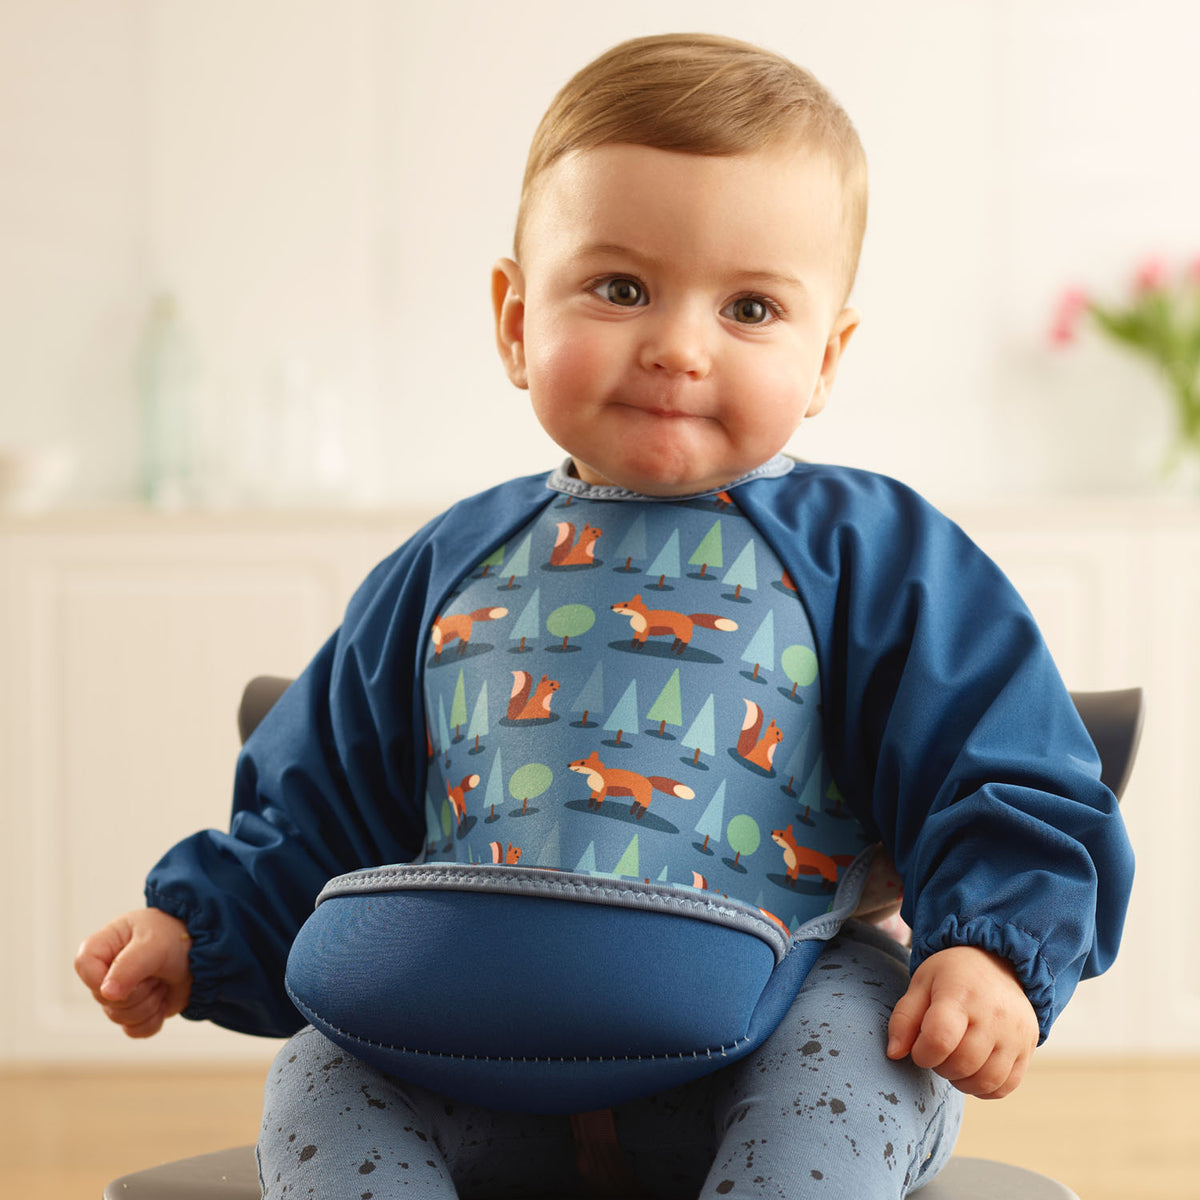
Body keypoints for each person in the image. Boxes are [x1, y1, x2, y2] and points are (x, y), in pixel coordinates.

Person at [75, 32, 1134, 1199]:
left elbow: (1005, 762)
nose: (678, 347)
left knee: (848, 1063)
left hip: (779, 1003)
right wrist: (202, 929)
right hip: (466, 1022)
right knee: (323, 1079)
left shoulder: (871, 553)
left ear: (826, 357)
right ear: (515, 317)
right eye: (620, 288)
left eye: (749, 307)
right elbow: (316, 804)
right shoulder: (448, 563)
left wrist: (990, 948)